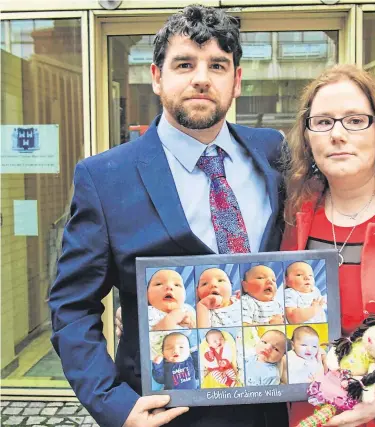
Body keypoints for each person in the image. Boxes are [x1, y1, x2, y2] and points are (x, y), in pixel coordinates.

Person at [49, 4, 287, 427]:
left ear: (236, 81)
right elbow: (72, 307)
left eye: (217, 65)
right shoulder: (104, 178)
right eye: (184, 63)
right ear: (157, 77)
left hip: (277, 404)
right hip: (171, 411)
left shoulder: (274, 153)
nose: (201, 77)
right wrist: (113, 404)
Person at [281, 64, 375, 427]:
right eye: (322, 122)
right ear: (307, 138)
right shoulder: (293, 214)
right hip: (309, 416)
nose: (337, 134)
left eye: (355, 120)